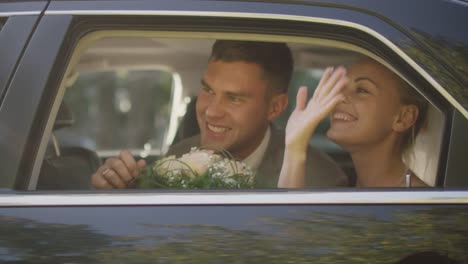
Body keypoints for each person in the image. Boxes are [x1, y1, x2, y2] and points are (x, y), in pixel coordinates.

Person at [91, 40, 348, 189]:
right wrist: (120, 191)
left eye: (234, 98)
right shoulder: (178, 156)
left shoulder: (321, 179)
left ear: (275, 108)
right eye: (208, 90)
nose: (211, 111)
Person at [278, 58, 428, 188]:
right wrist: (294, 147)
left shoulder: (422, 207)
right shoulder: (347, 191)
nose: (339, 97)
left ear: (404, 118)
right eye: (341, 88)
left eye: (362, 90)